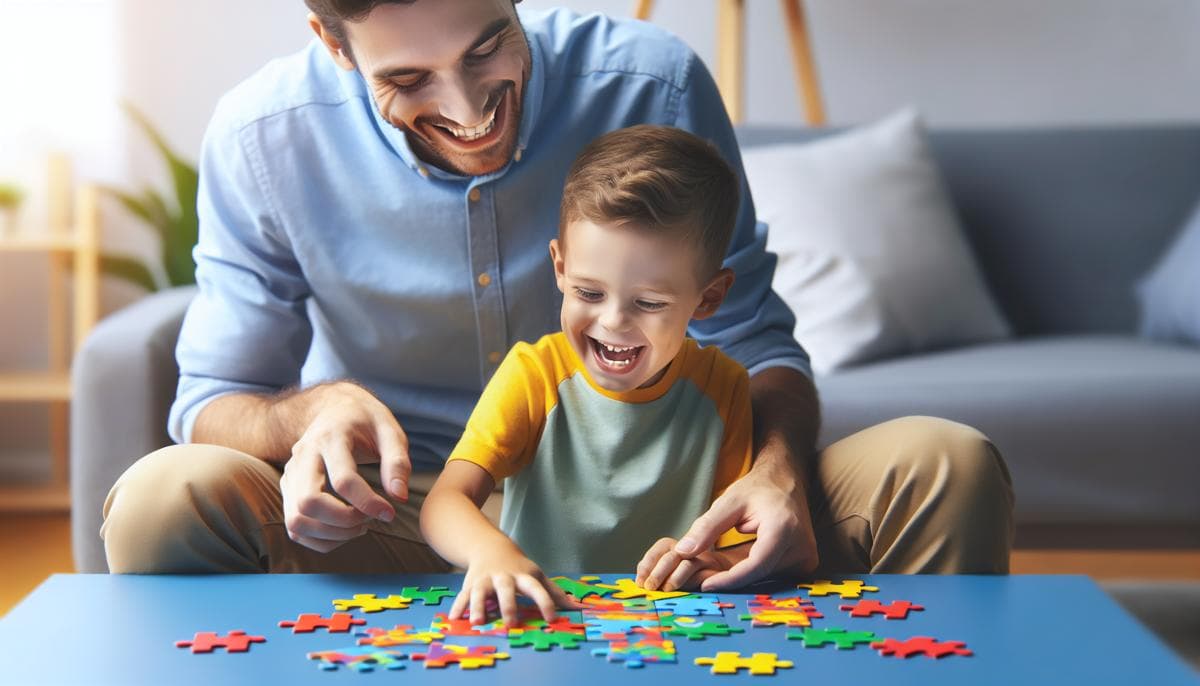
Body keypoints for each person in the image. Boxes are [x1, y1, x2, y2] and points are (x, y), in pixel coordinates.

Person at [101, 0, 1014, 584]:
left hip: (695, 509)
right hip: (412, 516)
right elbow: (212, 402)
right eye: (407, 80)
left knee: (945, 464)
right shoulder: (263, 139)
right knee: (163, 498)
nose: (467, 112)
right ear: (330, 45)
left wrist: (773, 477)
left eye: (489, 44)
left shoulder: (654, 84)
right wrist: (310, 416)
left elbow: (756, 344)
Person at [422, 125, 759, 624]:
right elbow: (444, 502)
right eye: (589, 293)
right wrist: (491, 553)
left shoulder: (724, 388)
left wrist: (713, 560)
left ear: (708, 297)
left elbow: (744, 542)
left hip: (671, 631)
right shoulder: (534, 374)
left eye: (649, 302)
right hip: (535, 625)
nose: (613, 321)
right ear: (559, 267)